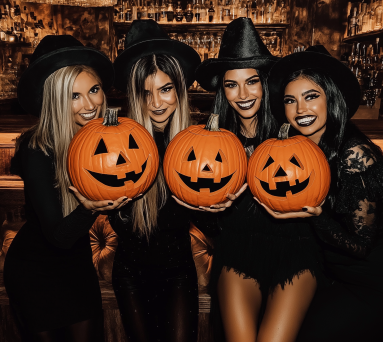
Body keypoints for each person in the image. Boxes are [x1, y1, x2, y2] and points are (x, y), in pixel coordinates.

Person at [194, 18, 324, 342]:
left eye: (252, 81)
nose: (243, 94)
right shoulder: (212, 142)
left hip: (295, 249)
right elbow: (210, 218)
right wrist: (204, 209)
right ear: (222, 90)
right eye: (231, 84)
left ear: (265, 83)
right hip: (238, 250)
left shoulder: (294, 129)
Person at [110, 19, 235, 342]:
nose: (156, 103)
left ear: (179, 90)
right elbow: (124, 226)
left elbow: (214, 229)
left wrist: (215, 207)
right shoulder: (120, 145)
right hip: (131, 274)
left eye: (165, 89)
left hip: (178, 272)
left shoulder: (197, 146)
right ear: (135, 96)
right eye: (145, 92)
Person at [267, 45, 383, 342]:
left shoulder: (354, 153)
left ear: (331, 98)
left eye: (311, 97)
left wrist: (317, 217)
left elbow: (361, 246)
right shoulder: (298, 151)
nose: (301, 109)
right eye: (291, 100)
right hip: (330, 278)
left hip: (373, 284)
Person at [4, 35, 129, 342]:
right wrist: (88, 208)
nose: (90, 105)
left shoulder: (98, 141)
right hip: (35, 272)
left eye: (94, 90)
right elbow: (59, 236)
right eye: (74, 96)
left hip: (76, 266)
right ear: (55, 100)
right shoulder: (37, 149)